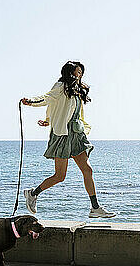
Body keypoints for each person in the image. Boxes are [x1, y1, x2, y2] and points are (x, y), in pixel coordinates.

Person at [20, 61, 116, 218]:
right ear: (69, 72)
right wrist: (31, 102)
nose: (79, 75)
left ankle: (95, 208)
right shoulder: (60, 86)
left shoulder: (77, 90)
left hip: (76, 134)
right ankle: (33, 193)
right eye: (77, 72)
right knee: (60, 176)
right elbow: (47, 99)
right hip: (63, 135)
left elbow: (68, 110)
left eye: (81, 73)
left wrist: (49, 119)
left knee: (87, 170)